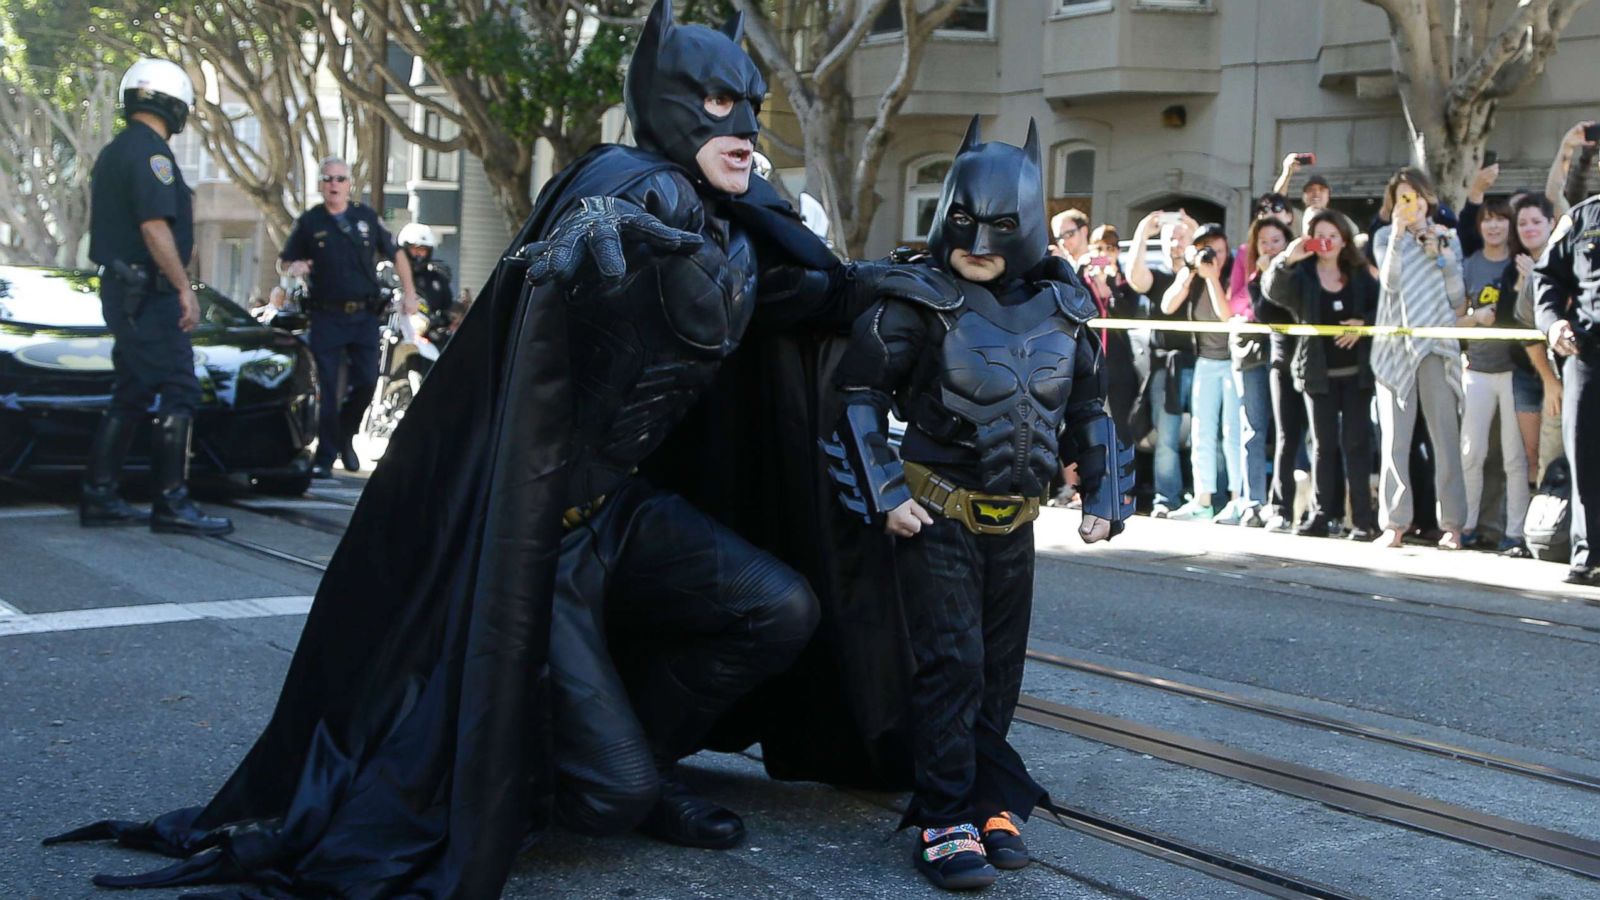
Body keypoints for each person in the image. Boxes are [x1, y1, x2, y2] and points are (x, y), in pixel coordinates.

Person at [46, 4, 889, 893]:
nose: (746, 127)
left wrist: (919, 288)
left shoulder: (744, 220)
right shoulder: (631, 183)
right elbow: (596, 208)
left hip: (622, 513)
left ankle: (633, 754)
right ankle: (609, 777)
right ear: (670, 102)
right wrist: (589, 228)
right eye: (719, 100)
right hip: (538, 538)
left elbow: (813, 300)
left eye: (754, 103)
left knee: (780, 609)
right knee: (612, 800)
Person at [829, 116, 1132, 890]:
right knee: (951, 663)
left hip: (1015, 520)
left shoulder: (1064, 308)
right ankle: (943, 816)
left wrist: (1104, 488)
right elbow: (857, 394)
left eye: (1002, 226)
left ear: (1027, 226)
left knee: (997, 669)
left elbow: (1091, 407)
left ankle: (991, 798)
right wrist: (884, 491)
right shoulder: (918, 300)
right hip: (934, 512)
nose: (980, 239)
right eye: (965, 221)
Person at [79, 58, 232, 538]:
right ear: (173, 103)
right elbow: (154, 226)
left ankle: (100, 495)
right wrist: (184, 289)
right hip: (147, 293)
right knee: (180, 389)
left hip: (126, 292)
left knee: (133, 390)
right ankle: (172, 503)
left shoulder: (116, 150)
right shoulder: (152, 155)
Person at [279, 156, 418, 478]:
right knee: (328, 390)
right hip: (326, 316)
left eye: (340, 179)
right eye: (328, 179)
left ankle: (346, 435)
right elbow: (284, 261)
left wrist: (409, 294)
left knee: (368, 382)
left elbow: (396, 253)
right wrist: (293, 268)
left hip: (364, 317)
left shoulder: (365, 218)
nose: (334, 185)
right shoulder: (310, 222)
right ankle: (326, 457)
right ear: (320, 185)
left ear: (349, 184)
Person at [1264, 211, 1380, 540]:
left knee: (1356, 444)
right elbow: (1274, 293)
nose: (1327, 242)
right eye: (1320, 235)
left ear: (1344, 239)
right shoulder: (1302, 274)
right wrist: (1287, 259)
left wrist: (1363, 325)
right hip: (1318, 374)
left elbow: (1381, 306)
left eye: (1333, 235)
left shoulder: (1358, 273)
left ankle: (1360, 520)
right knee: (1323, 446)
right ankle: (1321, 515)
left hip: (1356, 374)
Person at [1371, 168, 1469, 550]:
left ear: (1428, 199)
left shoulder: (1448, 238)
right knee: (1395, 439)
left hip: (1436, 347)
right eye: (1401, 199)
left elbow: (1458, 298)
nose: (1409, 205)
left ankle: (1453, 526)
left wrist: (1441, 256)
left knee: (1445, 438)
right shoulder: (1384, 237)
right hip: (1395, 345)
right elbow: (1390, 283)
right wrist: (1397, 234)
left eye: (1414, 197)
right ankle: (1394, 524)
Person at [1531, 176, 1600, 586]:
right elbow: (1546, 278)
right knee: (1587, 454)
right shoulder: (1582, 218)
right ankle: (1589, 553)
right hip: (1588, 350)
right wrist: (1553, 323)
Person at [1457, 200, 1529, 553]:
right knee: (1471, 452)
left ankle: (1515, 531)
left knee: (1515, 458)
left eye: (1502, 220)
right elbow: (1451, 319)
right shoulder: (1469, 265)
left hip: (1515, 371)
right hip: (1477, 369)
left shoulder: (1522, 263)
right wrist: (1474, 317)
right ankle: (1465, 526)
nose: (1495, 226)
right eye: (1488, 220)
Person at [1162, 223, 1244, 523]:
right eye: (1207, 249)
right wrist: (1189, 273)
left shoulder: (1235, 272)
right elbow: (1167, 305)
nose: (1214, 256)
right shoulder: (1194, 273)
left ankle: (1238, 499)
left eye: (1219, 250)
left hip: (1234, 361)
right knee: (1202, 432)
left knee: (1232, 432)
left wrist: (1213, 278)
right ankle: (1203, 499)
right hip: (1206, 361)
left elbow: (1227, 315)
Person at [1246, 217, 1314, 532]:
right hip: (1282, 361)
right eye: (1264, 242)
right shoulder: (1257, 278)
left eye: (1276, 240)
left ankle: (1322, 508)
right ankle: (1281, 507)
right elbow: (1265, 312)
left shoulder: (1305, 270)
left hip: (1314, 360)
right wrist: (1263, 273)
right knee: (1287, 436)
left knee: (1320, 439)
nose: (1270, 247)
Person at [1142, 211, 1202, 516]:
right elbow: (1135, 276)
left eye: (1182, 237)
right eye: (1170, 238)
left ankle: (1207, 498)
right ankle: (1166, 498)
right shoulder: (1157, 276)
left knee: (1207, 436)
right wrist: (1142, 233)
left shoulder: (1204, 272)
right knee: (1166, 437)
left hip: (1204, 361)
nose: (1176, 243)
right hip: (1165, 365)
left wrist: (1193, 229)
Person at [397, 222, 455, 343]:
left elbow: (447, 312)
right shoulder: (392, 275)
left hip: (427, 337)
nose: (418, 254)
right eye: (414, 248)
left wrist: (437, 325)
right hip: (396, 330)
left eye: (423, 250)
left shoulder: (437, 279)